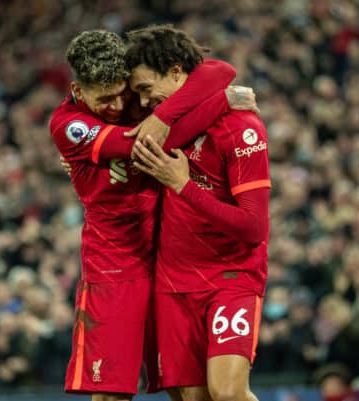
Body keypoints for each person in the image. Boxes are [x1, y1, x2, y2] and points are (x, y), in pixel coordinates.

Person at [48, 29, 257, 401]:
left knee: (190, 392)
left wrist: (164, 115)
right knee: (112, 393)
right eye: (104, 99)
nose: (116, 107)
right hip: (116, 264)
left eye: (121, 93)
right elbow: (145, 146)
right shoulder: (69, 125)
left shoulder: (138, 97)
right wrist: (221, 103)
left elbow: (220, 70)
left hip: (170, 261)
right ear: (80, 92)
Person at [127, 25, 270, 401]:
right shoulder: (160, 128)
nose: (143, 103)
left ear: (176, 73)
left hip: (231, 276)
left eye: (146, 88)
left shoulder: (243, 127)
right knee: (194, 399)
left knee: (227, 394)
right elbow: (219, 76)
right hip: (173, 283)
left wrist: (183, 186)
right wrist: (221, 100)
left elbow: (254, 227)